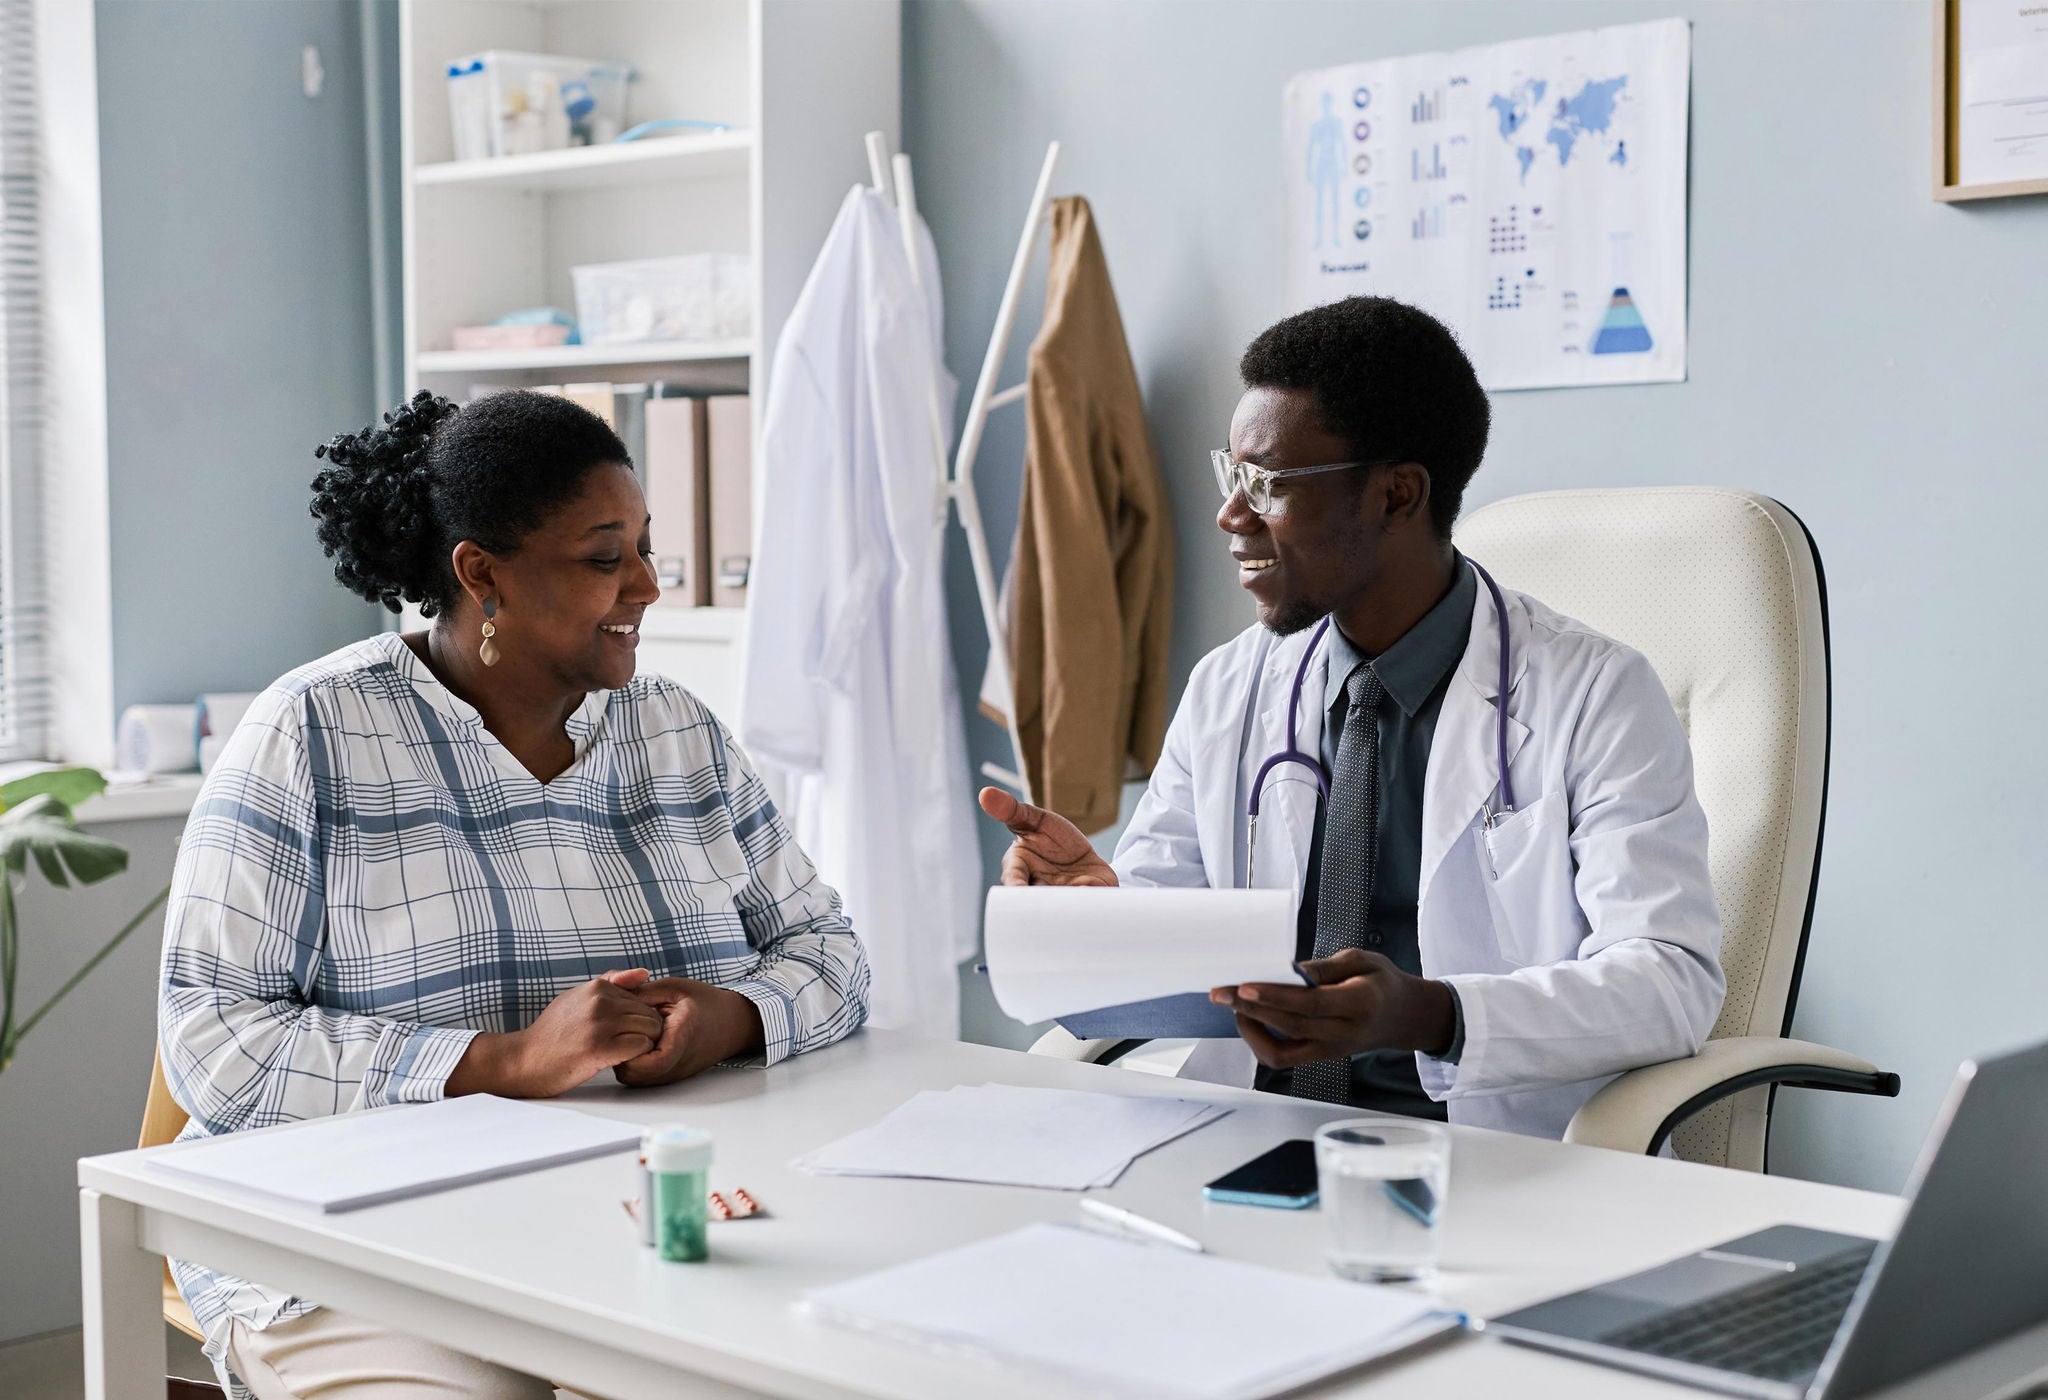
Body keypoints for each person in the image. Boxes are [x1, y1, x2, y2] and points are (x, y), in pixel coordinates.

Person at [159, 389, 869, 1400]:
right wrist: (499, 1062)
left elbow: (827, 947)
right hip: (351, 1253)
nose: (647, 585)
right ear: (480, 573)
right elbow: (213, 1040)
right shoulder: (312, 732)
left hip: (622, 1217)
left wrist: (733, 1014)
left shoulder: (676, 732)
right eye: (603, 556)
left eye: (644, 547)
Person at [982, 296, 1723, 1141]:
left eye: (1268, 486)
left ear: (1397, 495)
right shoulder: (1230, 688)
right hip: (1254, 1133)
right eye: (1234, 474)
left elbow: (1671, 980)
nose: (1231, 516)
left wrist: (1428, 1014)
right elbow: (1179, 928)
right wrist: (1104, 909)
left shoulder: (1595, 696)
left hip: (1482, 1153)